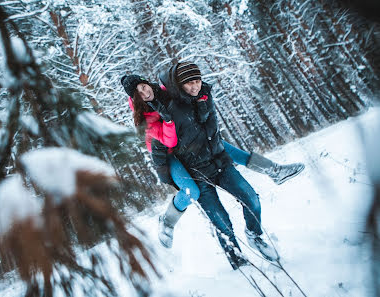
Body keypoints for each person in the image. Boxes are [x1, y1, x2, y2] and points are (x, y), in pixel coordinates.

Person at [120, 70, 304, 269]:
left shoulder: (168, 92)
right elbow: (168, 141)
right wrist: (168, 120)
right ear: (134, 98)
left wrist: (199, 93)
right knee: (199, 199)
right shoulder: (145, 120)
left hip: (202, 147)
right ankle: (235, 261)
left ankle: (258, 225)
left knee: (249, 195)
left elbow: (188, 88)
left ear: (148, 82)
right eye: (138, 92)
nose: (144, 92)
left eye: (144, 86)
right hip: (172, 156)